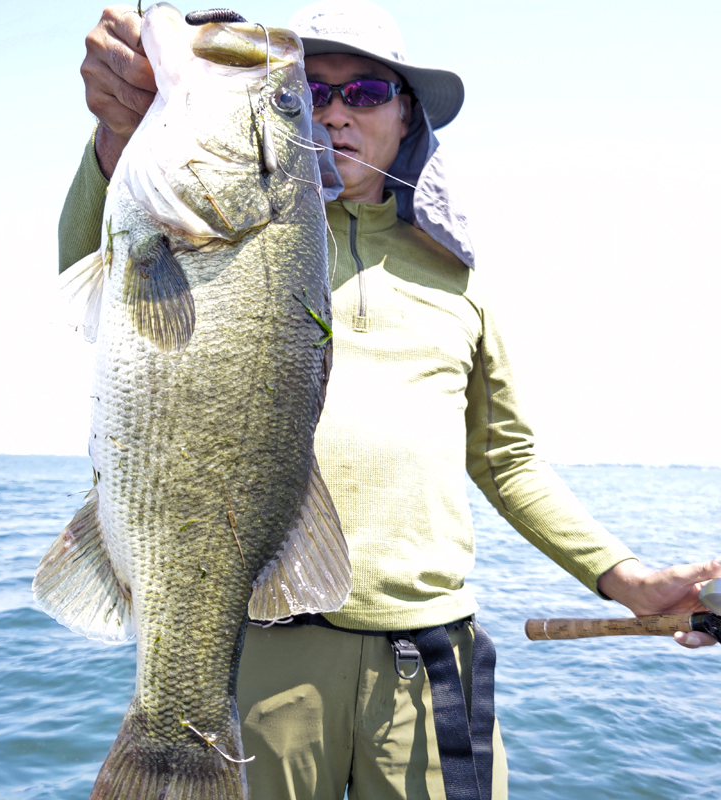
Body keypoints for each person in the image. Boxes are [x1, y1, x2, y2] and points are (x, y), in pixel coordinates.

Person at [58, 2, 721, 798]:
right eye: (313, 91)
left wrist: (624, 578)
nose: (336, 112)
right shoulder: (230, 223)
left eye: (366, 92)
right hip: (265, 646)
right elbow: (93, 261)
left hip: (432, 659)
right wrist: (114, 138)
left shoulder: (459, 277)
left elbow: (508, 461)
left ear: (407, 114)